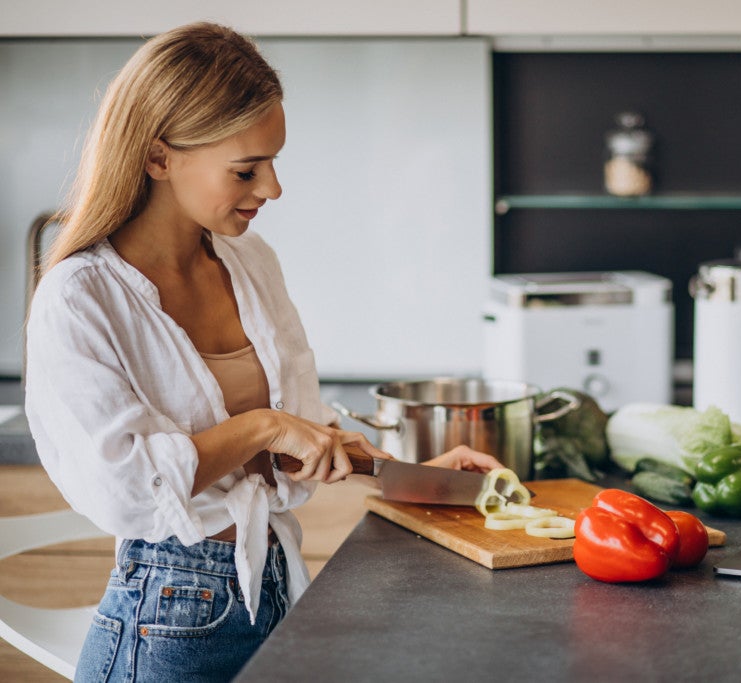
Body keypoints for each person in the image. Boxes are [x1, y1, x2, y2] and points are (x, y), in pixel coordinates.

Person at [23, 22, 502, 682]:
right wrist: (260, 426)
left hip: (270, 588)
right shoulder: (79, 296)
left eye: (274, 162)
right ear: (159, 157)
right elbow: (125, 482)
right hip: (165, 616)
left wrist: (415, 471)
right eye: (247, 169)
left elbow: (295, 443)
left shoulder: (250, 262)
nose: (272, 188)